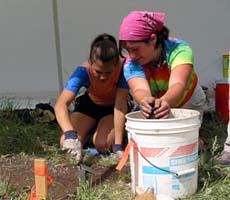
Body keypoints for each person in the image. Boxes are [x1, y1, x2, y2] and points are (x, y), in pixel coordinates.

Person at [54, 33, 130, 164]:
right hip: (89, 105)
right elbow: (60, 104)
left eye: (108, 73)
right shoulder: (83, 71)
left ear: (116, 65)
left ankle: (98, 133)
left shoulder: (124, 69)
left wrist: (117, 146)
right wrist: (70, 135)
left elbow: (120, 105)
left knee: (103, 145)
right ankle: (88, 132)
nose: (103, 77)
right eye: (98, 72)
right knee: (64, 143)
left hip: (113, 108)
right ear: (91, 63)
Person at [118, 11, 206, 123]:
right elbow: (139, 89)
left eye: (135, 49)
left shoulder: (180, 50)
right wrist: (145, 101)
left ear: (153, 39)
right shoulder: (131, 63)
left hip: (188, 102)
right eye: (127, 49)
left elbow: (178, 84)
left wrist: (166, 101)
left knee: (187, 137)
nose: (131, 55)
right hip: (158, 106)